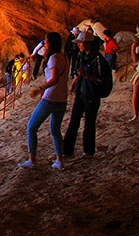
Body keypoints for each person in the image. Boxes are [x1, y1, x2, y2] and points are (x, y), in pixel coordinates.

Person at [18, 32, 70, 171]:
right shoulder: (64, 56)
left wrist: (38, 88)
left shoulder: (53, 58)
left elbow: (54, 79)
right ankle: (59, 161)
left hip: (51, 98)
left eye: (46, 42)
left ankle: (32, 159)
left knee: (31, 127)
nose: (44, 44)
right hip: (62, 98)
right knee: (55, 130)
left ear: (51, 43)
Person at [63, 32, 104, 158]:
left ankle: (88, 151)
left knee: (89, 122)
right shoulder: (81, 56)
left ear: (88, 43)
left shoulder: (97, 58)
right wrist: (73, 85)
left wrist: (87, 76)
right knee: (74, 121)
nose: (79, 46)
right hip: (81, 93)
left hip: (92, 94)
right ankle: (67, 150)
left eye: (81, 43)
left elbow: (101, 78)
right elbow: (78, 73)